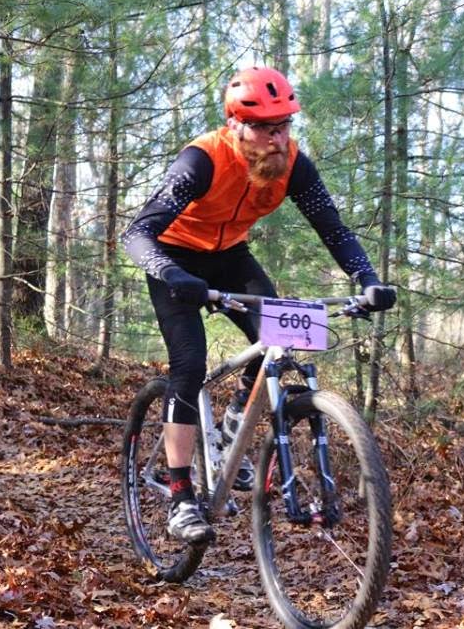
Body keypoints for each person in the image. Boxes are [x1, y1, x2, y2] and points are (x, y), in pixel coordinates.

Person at [121, 67, 396, 544]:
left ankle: (233, 428)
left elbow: (333, 230)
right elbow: (136, 233)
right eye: (266, 128)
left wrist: (368, 279)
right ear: (236, 126)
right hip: (173, 260)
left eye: (285, 125)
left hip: (230, 257)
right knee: (189, 364)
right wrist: (172, 274)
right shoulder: (201, 160)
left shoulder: (293, 164)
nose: (278, 138)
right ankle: (182, 496)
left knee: (279, 337)